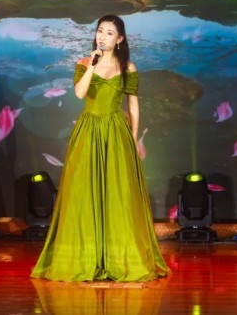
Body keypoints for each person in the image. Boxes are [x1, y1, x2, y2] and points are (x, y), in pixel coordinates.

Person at [30, 14, 169, 282]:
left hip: (116, 130)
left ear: (120, 39)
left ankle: (118, 258)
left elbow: (133, 105)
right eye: (100, 31)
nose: (102, 37)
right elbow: (80, 93)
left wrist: (134, 137)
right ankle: (86, 257)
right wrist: (92, 65)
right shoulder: (84, 63)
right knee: (84, 190)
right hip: (88, 130)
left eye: (109, 33)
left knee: (117, 192)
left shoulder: (128, 68)